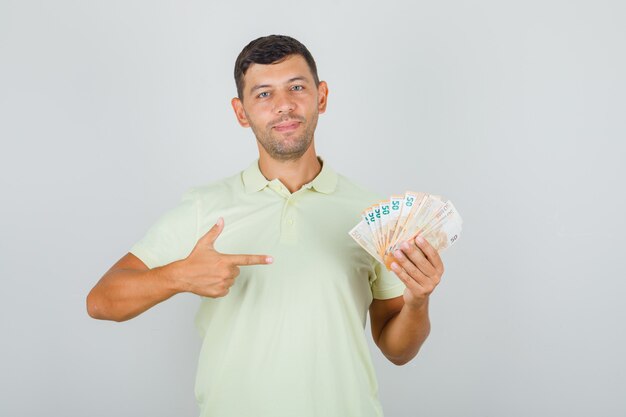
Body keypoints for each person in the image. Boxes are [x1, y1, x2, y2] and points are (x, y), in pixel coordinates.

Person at [86, 34, 445, 417]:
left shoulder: (373, 212)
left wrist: (418, 302)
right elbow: (101, 301)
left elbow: (398, 350)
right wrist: (178, 276)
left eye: (296, 87)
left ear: (321, 97)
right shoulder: (203, 207)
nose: (284, 106)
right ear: (241, 112)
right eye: (263, 94)